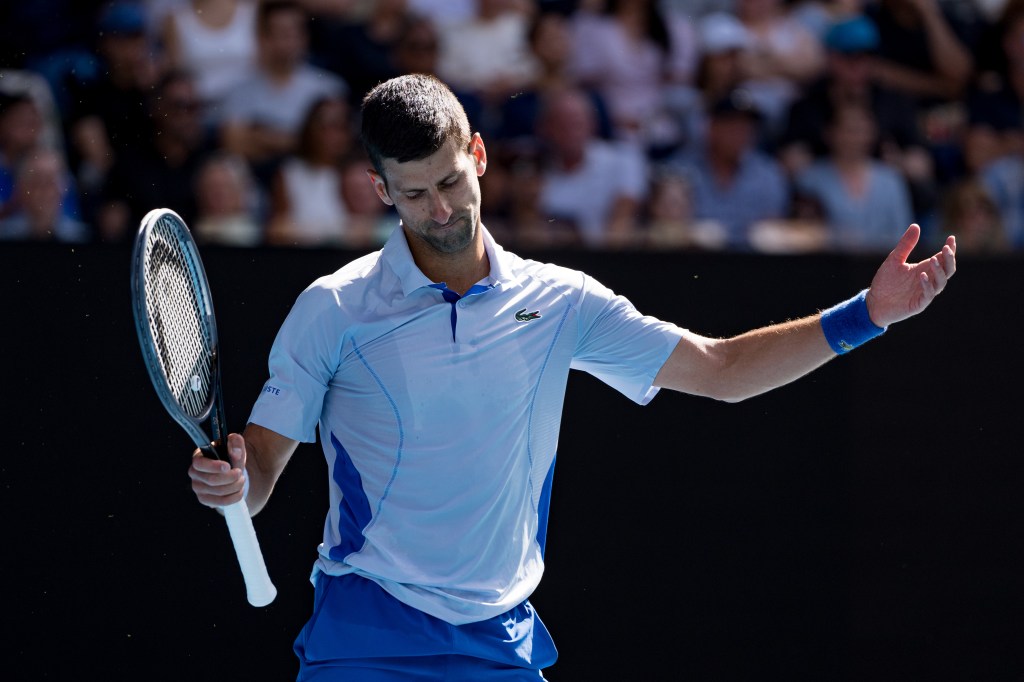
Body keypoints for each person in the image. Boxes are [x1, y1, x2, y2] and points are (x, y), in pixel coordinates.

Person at [187, 73, 957, 681]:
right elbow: (261, 476)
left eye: (450, 181)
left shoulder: (560, 301)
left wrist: (867, 314)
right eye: (415, 194)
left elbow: (721, 370)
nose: (441, 209)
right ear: (381, 189)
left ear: (478, 154)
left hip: (501, 641)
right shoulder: (333, 309)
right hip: (366, 636)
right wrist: (234, 485)